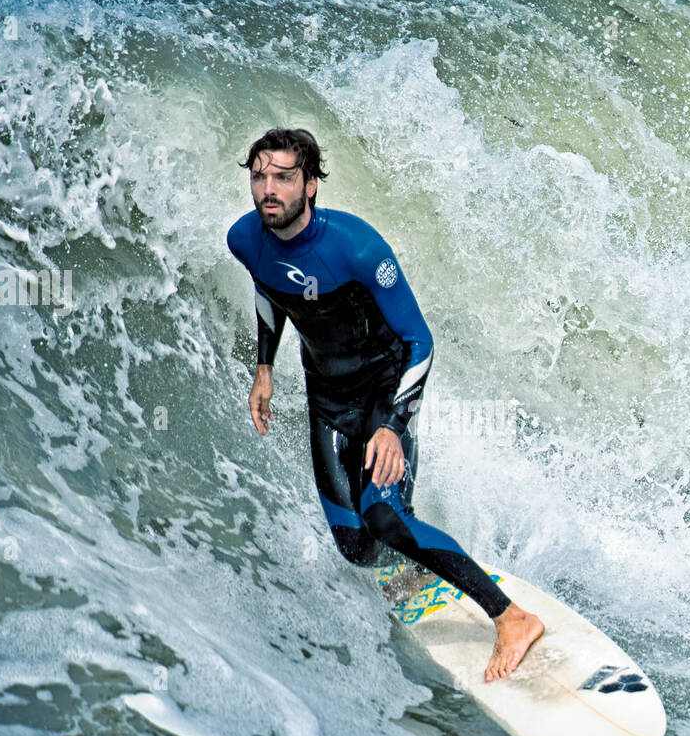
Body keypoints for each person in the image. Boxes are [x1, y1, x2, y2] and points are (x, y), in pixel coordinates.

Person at [226, 128, 543, 682]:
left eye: (283, 176)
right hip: (327, 398)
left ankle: (512, 618)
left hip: (382, 393)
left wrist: (395, 425)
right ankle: (418, 553)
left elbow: (420, 340)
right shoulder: (245, 239)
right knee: (356, 546)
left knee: (382, 517)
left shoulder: (357, 248)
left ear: (311, 185)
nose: (268, 189)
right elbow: (267, 291)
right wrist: (265, 367)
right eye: (259, 176)